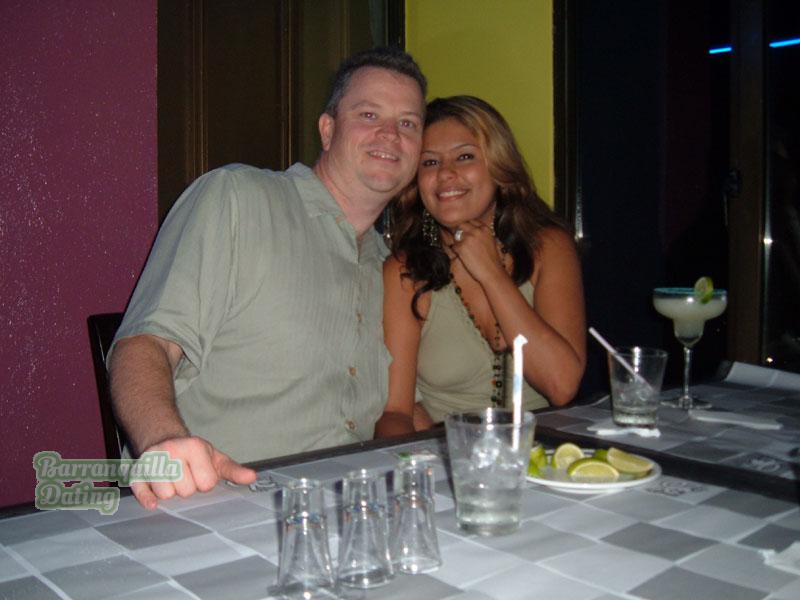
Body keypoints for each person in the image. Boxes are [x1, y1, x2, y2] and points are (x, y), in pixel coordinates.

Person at [108, 47, 426, 509]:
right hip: (211, 503)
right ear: (327, 129)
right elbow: (143, 345)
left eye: (408, 123)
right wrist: (163, 439)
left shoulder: (389, 266)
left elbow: (401, 408)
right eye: (369, 114)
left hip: (338, 512)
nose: (390, 134)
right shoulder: (238, 199)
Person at [376, 96, 585, 436]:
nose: (445, 173)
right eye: (430, 162)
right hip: (449, 452)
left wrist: (490, 272)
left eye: (464, 157)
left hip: (539, 454)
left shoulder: (549, 247)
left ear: (499, 166)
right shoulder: (404, 271)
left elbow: (561, 386)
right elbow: (396, 412)